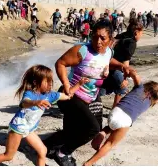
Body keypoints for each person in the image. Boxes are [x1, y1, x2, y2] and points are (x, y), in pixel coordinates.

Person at [43, 20, 131, 166]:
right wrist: (66, 85)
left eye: (103, 38)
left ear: (110, 40)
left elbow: (108, 60)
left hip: (90, 96)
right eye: (95, 37)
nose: (98, 41)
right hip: (72, 95)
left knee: (75, 129)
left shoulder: (109, 51)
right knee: (92, 128)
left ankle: (47, 146)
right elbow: (60, 63)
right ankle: (63, 152)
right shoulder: (83, 50)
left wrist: (122, 66)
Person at [0, 65, 88, 166]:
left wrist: (79, 84)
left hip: (29, 129)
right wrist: (36, 102)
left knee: (42, 151)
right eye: (47, 81)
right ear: (35, 82)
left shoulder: (50, 95)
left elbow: (68, 96)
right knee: (8, 156)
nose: (50, 84)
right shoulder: (29, 93)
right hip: (18, 128)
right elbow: (24, 103)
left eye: (51, 81)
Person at [84, 70, 158, 166]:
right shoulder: (150, 102)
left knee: (112, 126)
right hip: (125, 119)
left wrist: (125, 77)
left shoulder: (140, 87)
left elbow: (134, 74)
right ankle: (88, 164)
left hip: (115, 112)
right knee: (109, 144)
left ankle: (103, 132)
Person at [101, 20, 143, 109]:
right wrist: (125, 78)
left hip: (106, 64)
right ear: (136, 32)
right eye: (141, 33)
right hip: (116, 68)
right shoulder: (131, 43)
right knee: (121, 89)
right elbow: (125, 62)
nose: (141, 35)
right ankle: (114, 110)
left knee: (103, 88)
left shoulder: (121, 35)